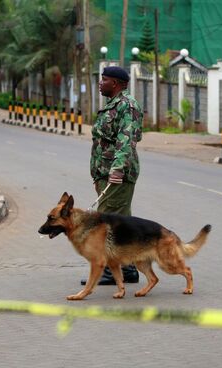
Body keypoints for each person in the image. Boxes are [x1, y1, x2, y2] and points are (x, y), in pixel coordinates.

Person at [81, 66, 143, 286]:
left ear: (115, 83)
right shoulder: (112, 105)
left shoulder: (127, 106)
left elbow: (126, 141)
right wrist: (99, 174)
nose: (100, 83)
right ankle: (128, 270)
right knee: (120, 222)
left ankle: (110, 270)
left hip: (118, 174)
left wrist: (116, 169)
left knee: (108, 222)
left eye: (104, 79)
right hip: (106, 174)